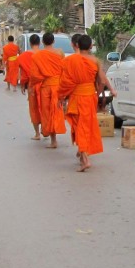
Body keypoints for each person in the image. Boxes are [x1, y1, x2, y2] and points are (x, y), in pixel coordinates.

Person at [60, 34, 114, 172]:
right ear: (91, 46)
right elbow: (102, 81)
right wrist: (97, 93)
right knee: (86, 125)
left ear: (77, 45)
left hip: (77, 97)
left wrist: (62, 96)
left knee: (79, 127)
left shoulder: (70, 60)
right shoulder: (95, 61)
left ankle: (85, 158)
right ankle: (83, 153)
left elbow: (65, 81)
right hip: (90, 96)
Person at [33, 32, 67, 148]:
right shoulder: (60, 53)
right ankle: (53, 139)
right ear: (53, 41)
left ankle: (53, 140)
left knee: (47, 112)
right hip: (58, 86)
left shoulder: (38, 55)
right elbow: (64, 70)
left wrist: (32, 86)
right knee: (56, 111)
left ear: (42, 42)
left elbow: (35, 75)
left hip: (46, 87)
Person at [17, 34, 42, 140]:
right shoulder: (44, 55)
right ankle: (47, 130)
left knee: (34, 109)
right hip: (45, 85)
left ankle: (37, 133)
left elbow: (23, 73)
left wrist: (23, 84)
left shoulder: (23, 56)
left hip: (32, 86)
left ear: (30, 43)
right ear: (39, 43)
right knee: (45, 108)